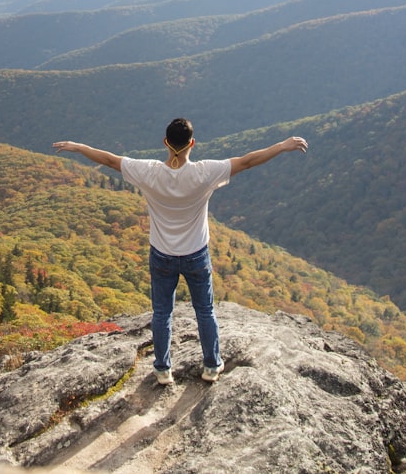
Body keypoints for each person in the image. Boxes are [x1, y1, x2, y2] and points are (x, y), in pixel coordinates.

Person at [53, 118, 308, 385]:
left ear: (165, 142)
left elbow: (109, 160)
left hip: (161, 254)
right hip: (196, 254)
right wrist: (282, 145)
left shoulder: (148, 171)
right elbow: (247, 161)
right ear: (192, 143)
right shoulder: (204, 172)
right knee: (205, 311)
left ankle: (163, 369)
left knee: (162, 313)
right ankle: (211, 365)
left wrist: (78, 146)